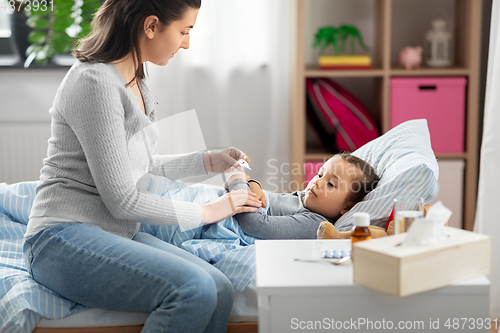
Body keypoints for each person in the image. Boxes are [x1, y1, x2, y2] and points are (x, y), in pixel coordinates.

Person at [22, 1, 262, 332]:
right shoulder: (95, 82)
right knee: (194, 289)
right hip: (60, 238)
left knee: (219, 289)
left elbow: (139, 168)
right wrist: (212, 210)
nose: (186, 43)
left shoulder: (135, 79)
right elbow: (123, 200)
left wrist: (210, 159)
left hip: (112, 232)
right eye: (184, 31)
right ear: (150, 26)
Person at [225, 153, 380, 239]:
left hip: (225, 214)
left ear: (347, 207)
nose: (317, 182)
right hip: (221, 202)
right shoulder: (301, 198)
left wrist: (237, 178)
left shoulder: (315, 223)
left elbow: (255, 224)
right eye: (320, 174)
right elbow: (267, 200)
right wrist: (252, 183)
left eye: (331, 184)